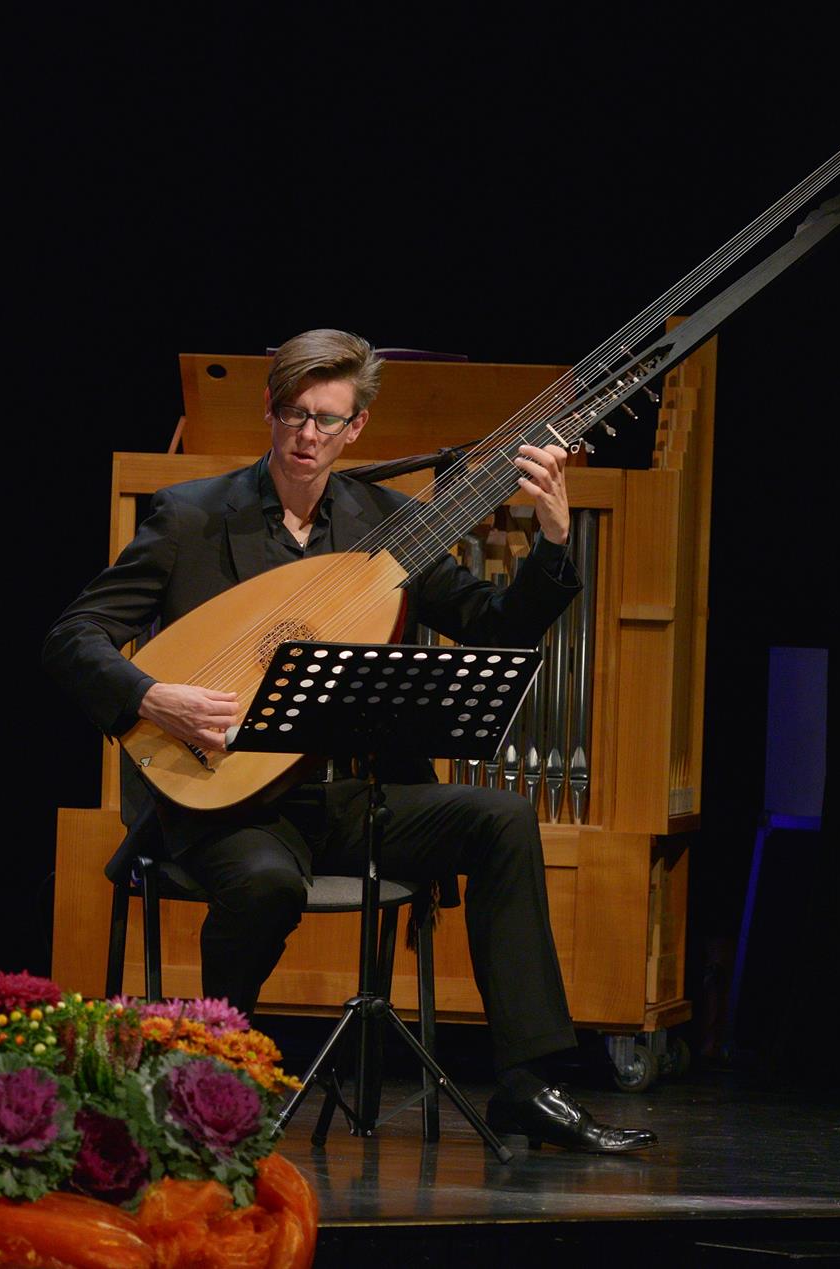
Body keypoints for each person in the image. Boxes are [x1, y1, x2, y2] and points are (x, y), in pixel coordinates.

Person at [42, 328, 655, 1153]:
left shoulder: (389, 526)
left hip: (356, 797)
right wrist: (153, 695)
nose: (308, 435)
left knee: (503, 818)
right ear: (269, 410)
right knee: (266, 882)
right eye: (294, 413)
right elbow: (73, 636)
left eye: (327, 419)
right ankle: (214, 1076)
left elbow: (491, 627)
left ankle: (528, 1084)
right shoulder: (192, 517)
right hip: (231, 805)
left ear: (356, 426)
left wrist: (551, 541)